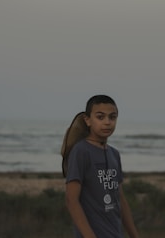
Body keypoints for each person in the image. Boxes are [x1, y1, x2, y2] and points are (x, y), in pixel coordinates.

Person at [65, 95, 139, 238]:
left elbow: (120, 199)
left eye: (112, 117)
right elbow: (71, 200)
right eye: (100, 117)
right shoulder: (81, 151)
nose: (107, 122)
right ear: (88, 120)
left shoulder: (114, 154)